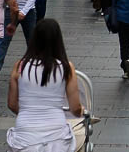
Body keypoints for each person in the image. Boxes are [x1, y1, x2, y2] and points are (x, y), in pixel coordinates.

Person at [6, 19, 82, 152]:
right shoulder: (66, 67)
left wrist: (27, 112)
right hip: (56, 134)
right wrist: (81, 111)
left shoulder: (20, 66)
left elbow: (12, 104)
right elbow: (75, 107)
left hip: (25, 134)